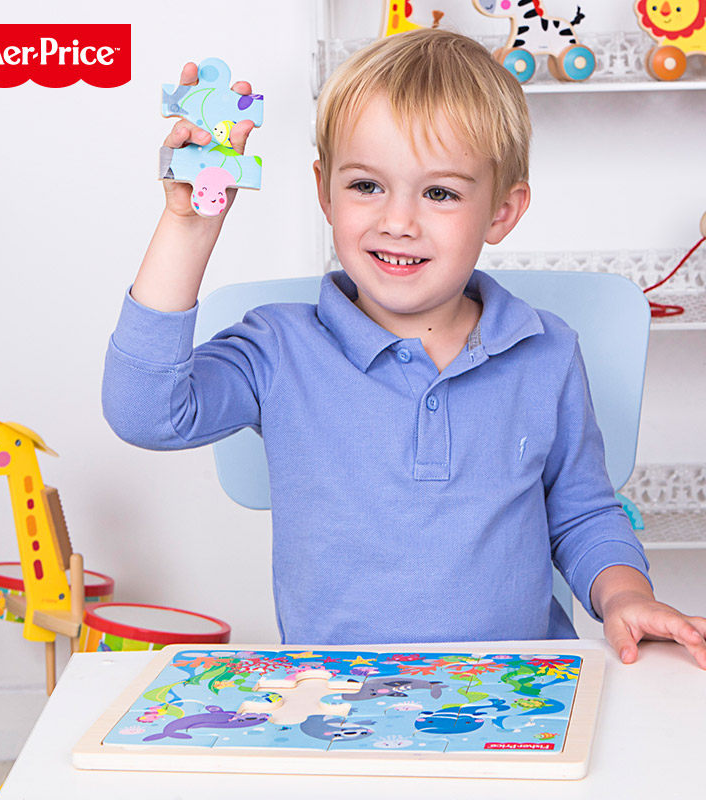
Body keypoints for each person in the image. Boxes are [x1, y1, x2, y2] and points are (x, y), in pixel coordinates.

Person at [102, 29, 706, 667]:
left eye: (440, 193)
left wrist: (626, 597)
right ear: (325, 191)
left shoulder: (545, 350)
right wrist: (188, 226)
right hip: (340, 697)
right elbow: (146, 412)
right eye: (367, 186)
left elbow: (583, 515)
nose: (397, 221)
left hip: (522, 692)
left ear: (502, 212)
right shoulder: (278, 348)